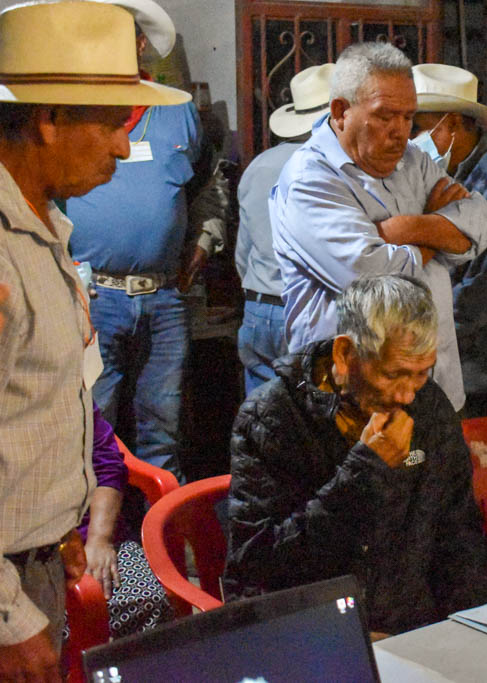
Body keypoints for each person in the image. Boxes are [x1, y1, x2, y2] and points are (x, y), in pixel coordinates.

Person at [0, 2, 188, 679]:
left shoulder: (45, 228)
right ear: (48, 118)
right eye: (111, 123)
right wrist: (7, 615)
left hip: (38, 562)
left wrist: (60, 532)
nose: (122, 146)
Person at [222, 274, 487, 636]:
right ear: (345, 354)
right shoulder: (273, 416)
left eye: (421, 374)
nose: (407, 395)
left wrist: (475, 630)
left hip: (412, 630)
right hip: (314, 630)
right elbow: (257, 563)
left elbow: (460, 540)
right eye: (393, 374)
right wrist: (364, 472)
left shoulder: (430, 407)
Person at [271, 42, 487, 414]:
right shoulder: (310, 179)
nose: (401, 132)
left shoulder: (413, 161)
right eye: (385, 116)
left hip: (435, 390)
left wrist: (405, 228)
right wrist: (436, 234)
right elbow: (371, 278)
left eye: (408, 117)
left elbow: (479, 224)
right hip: (354, 402)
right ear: (340, 112)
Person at [66, 0, 224, 481]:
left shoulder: (176, 111)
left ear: (140, 45)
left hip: (164, 300)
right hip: (92, 297)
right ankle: (100, 531)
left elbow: (206, 186)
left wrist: (204, 239)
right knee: (92, 434)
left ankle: (154, 531)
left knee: (163, 433)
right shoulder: (67, 111)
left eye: (123, 37)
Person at [411, 64, 487, 417]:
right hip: (436, 363)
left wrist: (419, 329)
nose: (409, 138)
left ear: (452, 123)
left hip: (481, 374)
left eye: (418, 128)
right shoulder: (433, 174)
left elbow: (485, 291)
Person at [236, 63, 334, 395]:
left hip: (258, 308)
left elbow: (243, 254)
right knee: (313, 412)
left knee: (261, 412)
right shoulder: (330, 167)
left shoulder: (258, 166)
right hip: (308, 311)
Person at [75, 404, 173, 639]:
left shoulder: (71, 395)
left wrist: (99, 540)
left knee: (147, 600)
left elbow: (107, 465)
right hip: (20, 550)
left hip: (87, 533)